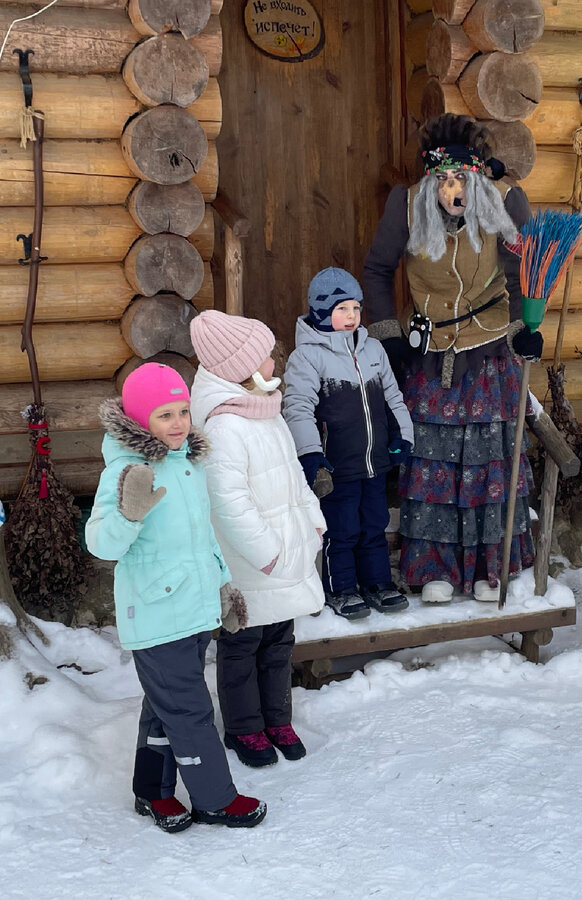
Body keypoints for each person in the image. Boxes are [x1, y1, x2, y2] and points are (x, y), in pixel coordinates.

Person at [362, 113, 540, 604]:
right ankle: (435, 569)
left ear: (477, 176)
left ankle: (489, 568)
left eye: (459, 178)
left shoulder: (501, 207)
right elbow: (377, 269)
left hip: (488, 356)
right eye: (441, 179)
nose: (450, 189)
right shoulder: (406, 206)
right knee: (434, 466)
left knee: (487, 464)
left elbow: (526, 268)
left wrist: (527, 327)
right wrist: (389, 336)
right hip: (432, 355)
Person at [85, 362, 266, 833]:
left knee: (164, 705)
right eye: (164, 414)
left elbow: (202, 538)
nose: (178, 422)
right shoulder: (127, 470)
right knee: (189, 709)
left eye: (183, 411)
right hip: (155, 611)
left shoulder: (186, 463)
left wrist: (223, 586)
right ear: (141, 420)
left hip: (192, 608)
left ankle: (151, 792)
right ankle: (216, 799)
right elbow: (102, 544)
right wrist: (129, 514)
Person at [188, 311, 326, 768]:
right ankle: (245, 728)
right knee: (243, 644)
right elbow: (228, 504)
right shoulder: (225, 426)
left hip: (286, 552)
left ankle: (277, 718)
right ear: (241, 368)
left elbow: (295, 478)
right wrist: (268, 554)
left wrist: (314, 521)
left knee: (280, 641)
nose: (274, 362)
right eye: (266, 356)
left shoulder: (266, 411)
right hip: (253, 562)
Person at [282, 267, 415, 620]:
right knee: (340, 529)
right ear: (321, 311)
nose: (351, 316)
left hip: (374, 462)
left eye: (356, 308)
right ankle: (341, 589)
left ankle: (377, 584)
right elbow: (298, 409)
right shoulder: (307, 357)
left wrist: (403, 435)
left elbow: (393, 397)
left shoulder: (373, 350)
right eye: (342, 309)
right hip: (336, 465)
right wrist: (311, 454)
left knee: (374, 524)